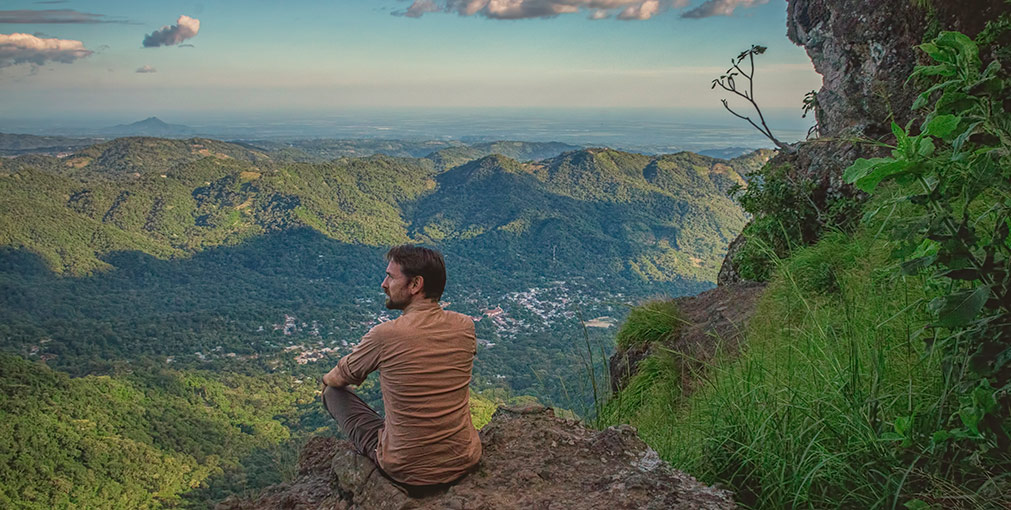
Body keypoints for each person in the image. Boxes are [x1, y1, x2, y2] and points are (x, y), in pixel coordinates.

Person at [321, 245, 482, 495]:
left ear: (415, 284)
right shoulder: (465, 326)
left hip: (407, 471)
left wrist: (328, 378)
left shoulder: (386, 335)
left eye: (391, 277)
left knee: (331, 392)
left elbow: (337, 378)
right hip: (465, 460)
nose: (384, 284)